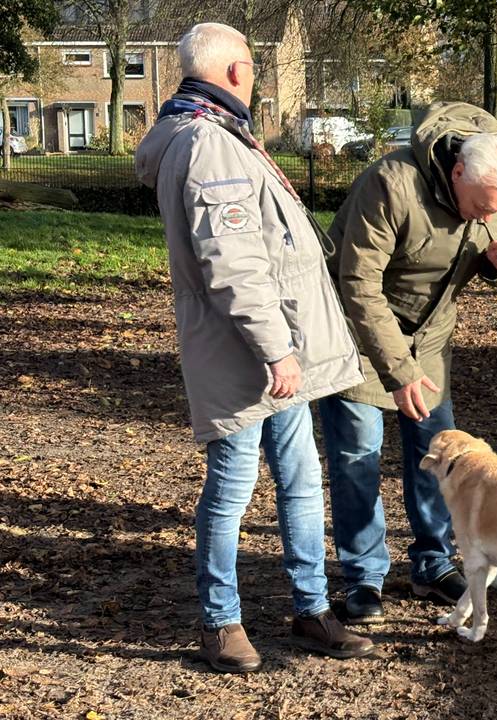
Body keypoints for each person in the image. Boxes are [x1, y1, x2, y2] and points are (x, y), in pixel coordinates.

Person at [135, 22, 375, 673]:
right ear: (235, 71)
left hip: (272, 353)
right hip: (248, 357)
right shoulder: (210, 143)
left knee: (299, 480)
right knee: (233, 487)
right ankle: (221, 625)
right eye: (251, 66)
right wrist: (276, 350)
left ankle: (311, 608)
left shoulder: (217, 133)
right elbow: (232, 264)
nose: (255, 76)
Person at [319, 102, 497, 624]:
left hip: (431, 339)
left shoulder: (496, 179)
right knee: (357, 460)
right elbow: (358, 285)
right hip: (360, 335)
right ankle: (363, 575)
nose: (486, 217)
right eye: (480, 207)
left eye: (495, 210)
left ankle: (432, 562)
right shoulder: (390, 185)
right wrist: (398, 370)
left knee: (442, 457)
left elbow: (489, 253)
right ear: (457, 171)